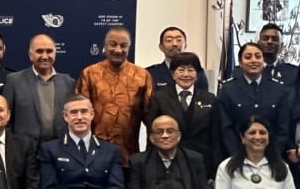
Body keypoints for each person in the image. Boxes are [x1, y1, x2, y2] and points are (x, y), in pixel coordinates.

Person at [75, 26, 153, 166]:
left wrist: (150, 155)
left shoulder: (142, 76)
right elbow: (79, 115)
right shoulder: (90, 74)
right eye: (113, 44)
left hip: (129, 156)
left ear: (129, 47)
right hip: (93, 155)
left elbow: (151, 119)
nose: (118, 50)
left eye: (123, 46)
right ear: (104, 46)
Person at [217, 41, 295, 159]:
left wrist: (272, 155)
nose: (254, 60)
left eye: (258, 56)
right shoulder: (228, 89)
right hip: (237, 156)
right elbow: (225, 128)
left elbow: (282, 128)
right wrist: (237, 156)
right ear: (240, 63)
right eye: (248, 57)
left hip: (271, 156)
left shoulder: (278, 89)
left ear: (263, 61)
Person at [145, 51, 219, 170]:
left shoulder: (209, 98)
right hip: (168, 160)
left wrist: (213, 169)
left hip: (202, 162)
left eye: (190, 70)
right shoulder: (159, 98)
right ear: (173, 74)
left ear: (197, 74)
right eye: (181, 70)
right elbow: (152, 133)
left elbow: (215, 137)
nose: (186, 74)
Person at [2, 33, 76, 142]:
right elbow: (5, 119)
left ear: (55, 54)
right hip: (24, 149)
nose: (45, 56)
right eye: (39, 51)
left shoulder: (69, 83)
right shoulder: (14, 81)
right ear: (30, 55)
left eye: (49, 51)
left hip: (59, 148)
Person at [145, 26, 209, 91]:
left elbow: (204, 97)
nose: (175, 44)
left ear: (185, 45)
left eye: (179, 40)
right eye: (169, 40)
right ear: (161, 47)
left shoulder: (198, 72)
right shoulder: (150, 73)